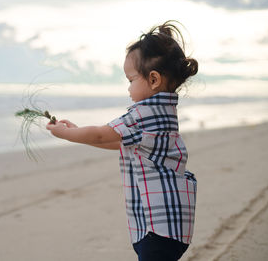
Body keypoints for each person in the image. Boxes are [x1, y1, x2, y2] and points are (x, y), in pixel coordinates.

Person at [46, 20, 198, 261]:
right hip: (173, 225)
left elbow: (100, 133)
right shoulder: (165, 114)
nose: (128, 88)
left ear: (154, 79)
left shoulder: (143, 114)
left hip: (157, 228)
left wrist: (64, 133)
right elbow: (117, 142)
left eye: (130, 80)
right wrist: (79, 135)